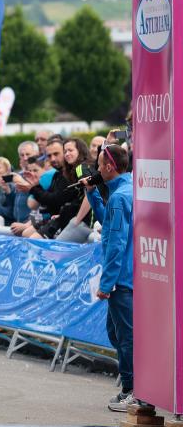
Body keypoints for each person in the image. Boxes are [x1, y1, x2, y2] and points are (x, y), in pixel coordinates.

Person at [83, 144, 135, 412]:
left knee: (124, 337)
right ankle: (133, 386)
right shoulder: (128, 191)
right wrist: (92, 195)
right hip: (130, 277)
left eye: (99, 163)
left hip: (123, 280)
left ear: (109, 166)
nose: (97, 168)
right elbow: (111, 227)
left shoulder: (120, 197)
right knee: (117, 333)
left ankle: (132, 389)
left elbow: (115, 243)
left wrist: (106, 284)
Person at [54, 138, 94, 242]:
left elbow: (90, 194)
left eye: (70, 150)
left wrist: (77, 220)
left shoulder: (81, 167)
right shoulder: (85, 166)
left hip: (88, 222)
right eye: (65, 151)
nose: (67, 154)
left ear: (80, 151)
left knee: (56, 249)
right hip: (89, 221)